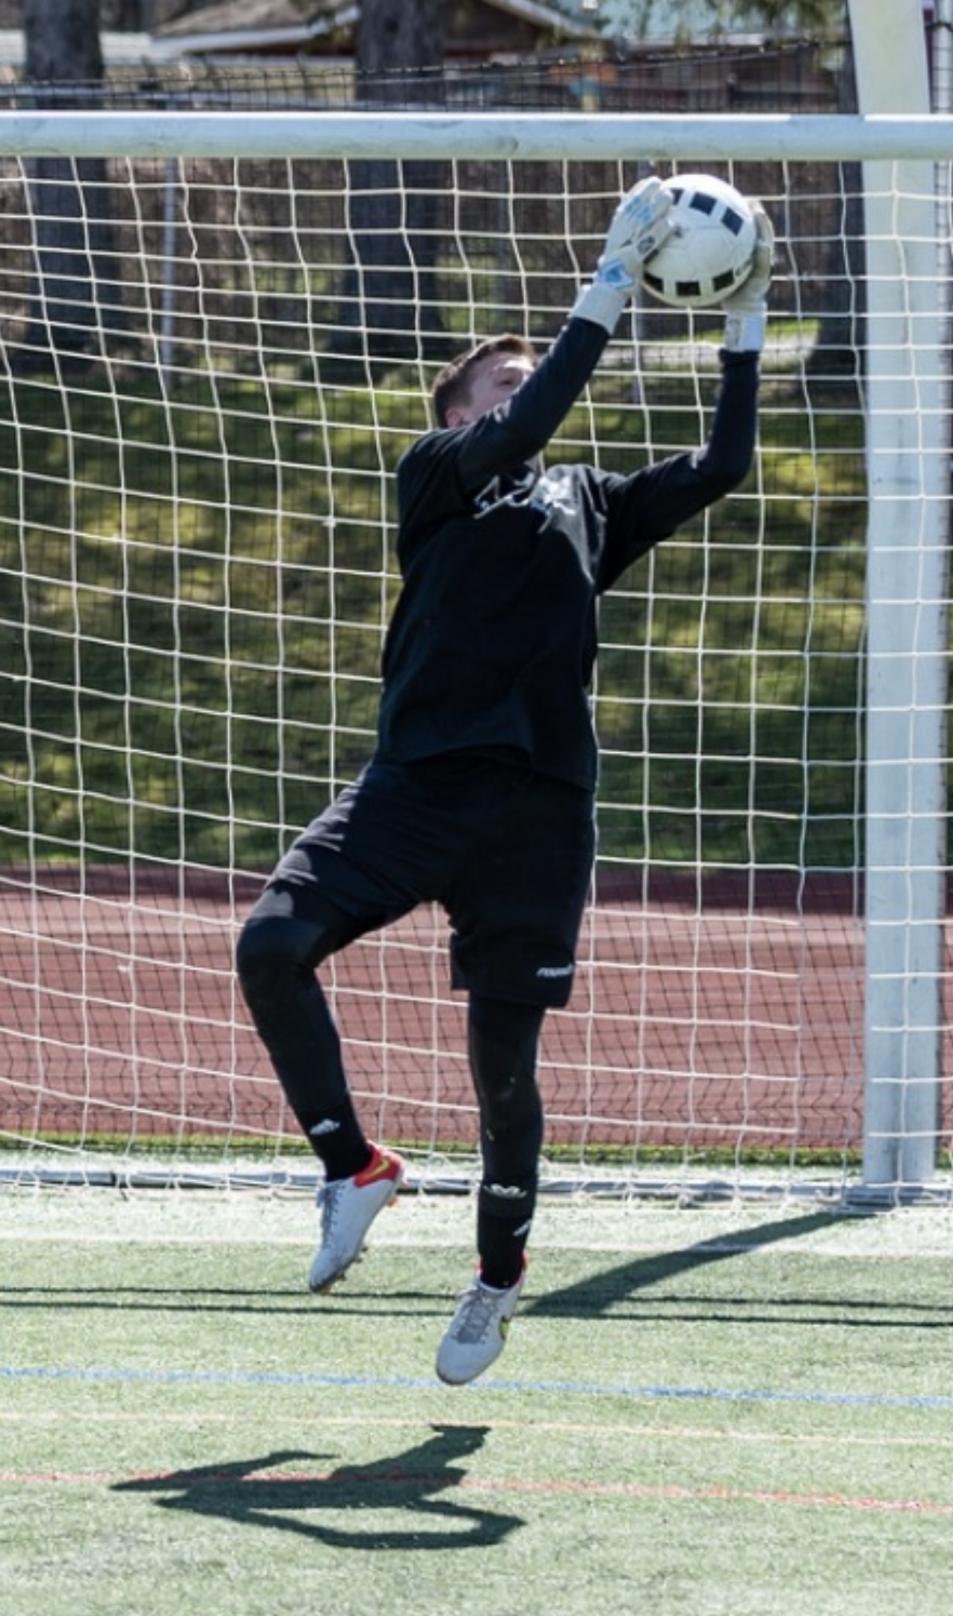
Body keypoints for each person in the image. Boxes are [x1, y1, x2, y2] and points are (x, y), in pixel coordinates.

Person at [236, 176, 772, 1386]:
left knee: (506, 1078)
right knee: (271, 942)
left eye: (526, 378)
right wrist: (606, 282)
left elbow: (726, 462)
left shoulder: (585, 502)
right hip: (416, 782)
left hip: (537, 810)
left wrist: (747, 315)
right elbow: (523, 424)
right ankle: (352, 1164)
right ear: (463, 411)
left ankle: (495, 1280)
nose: (521, 393)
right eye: (501, 381)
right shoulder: (437, 472)